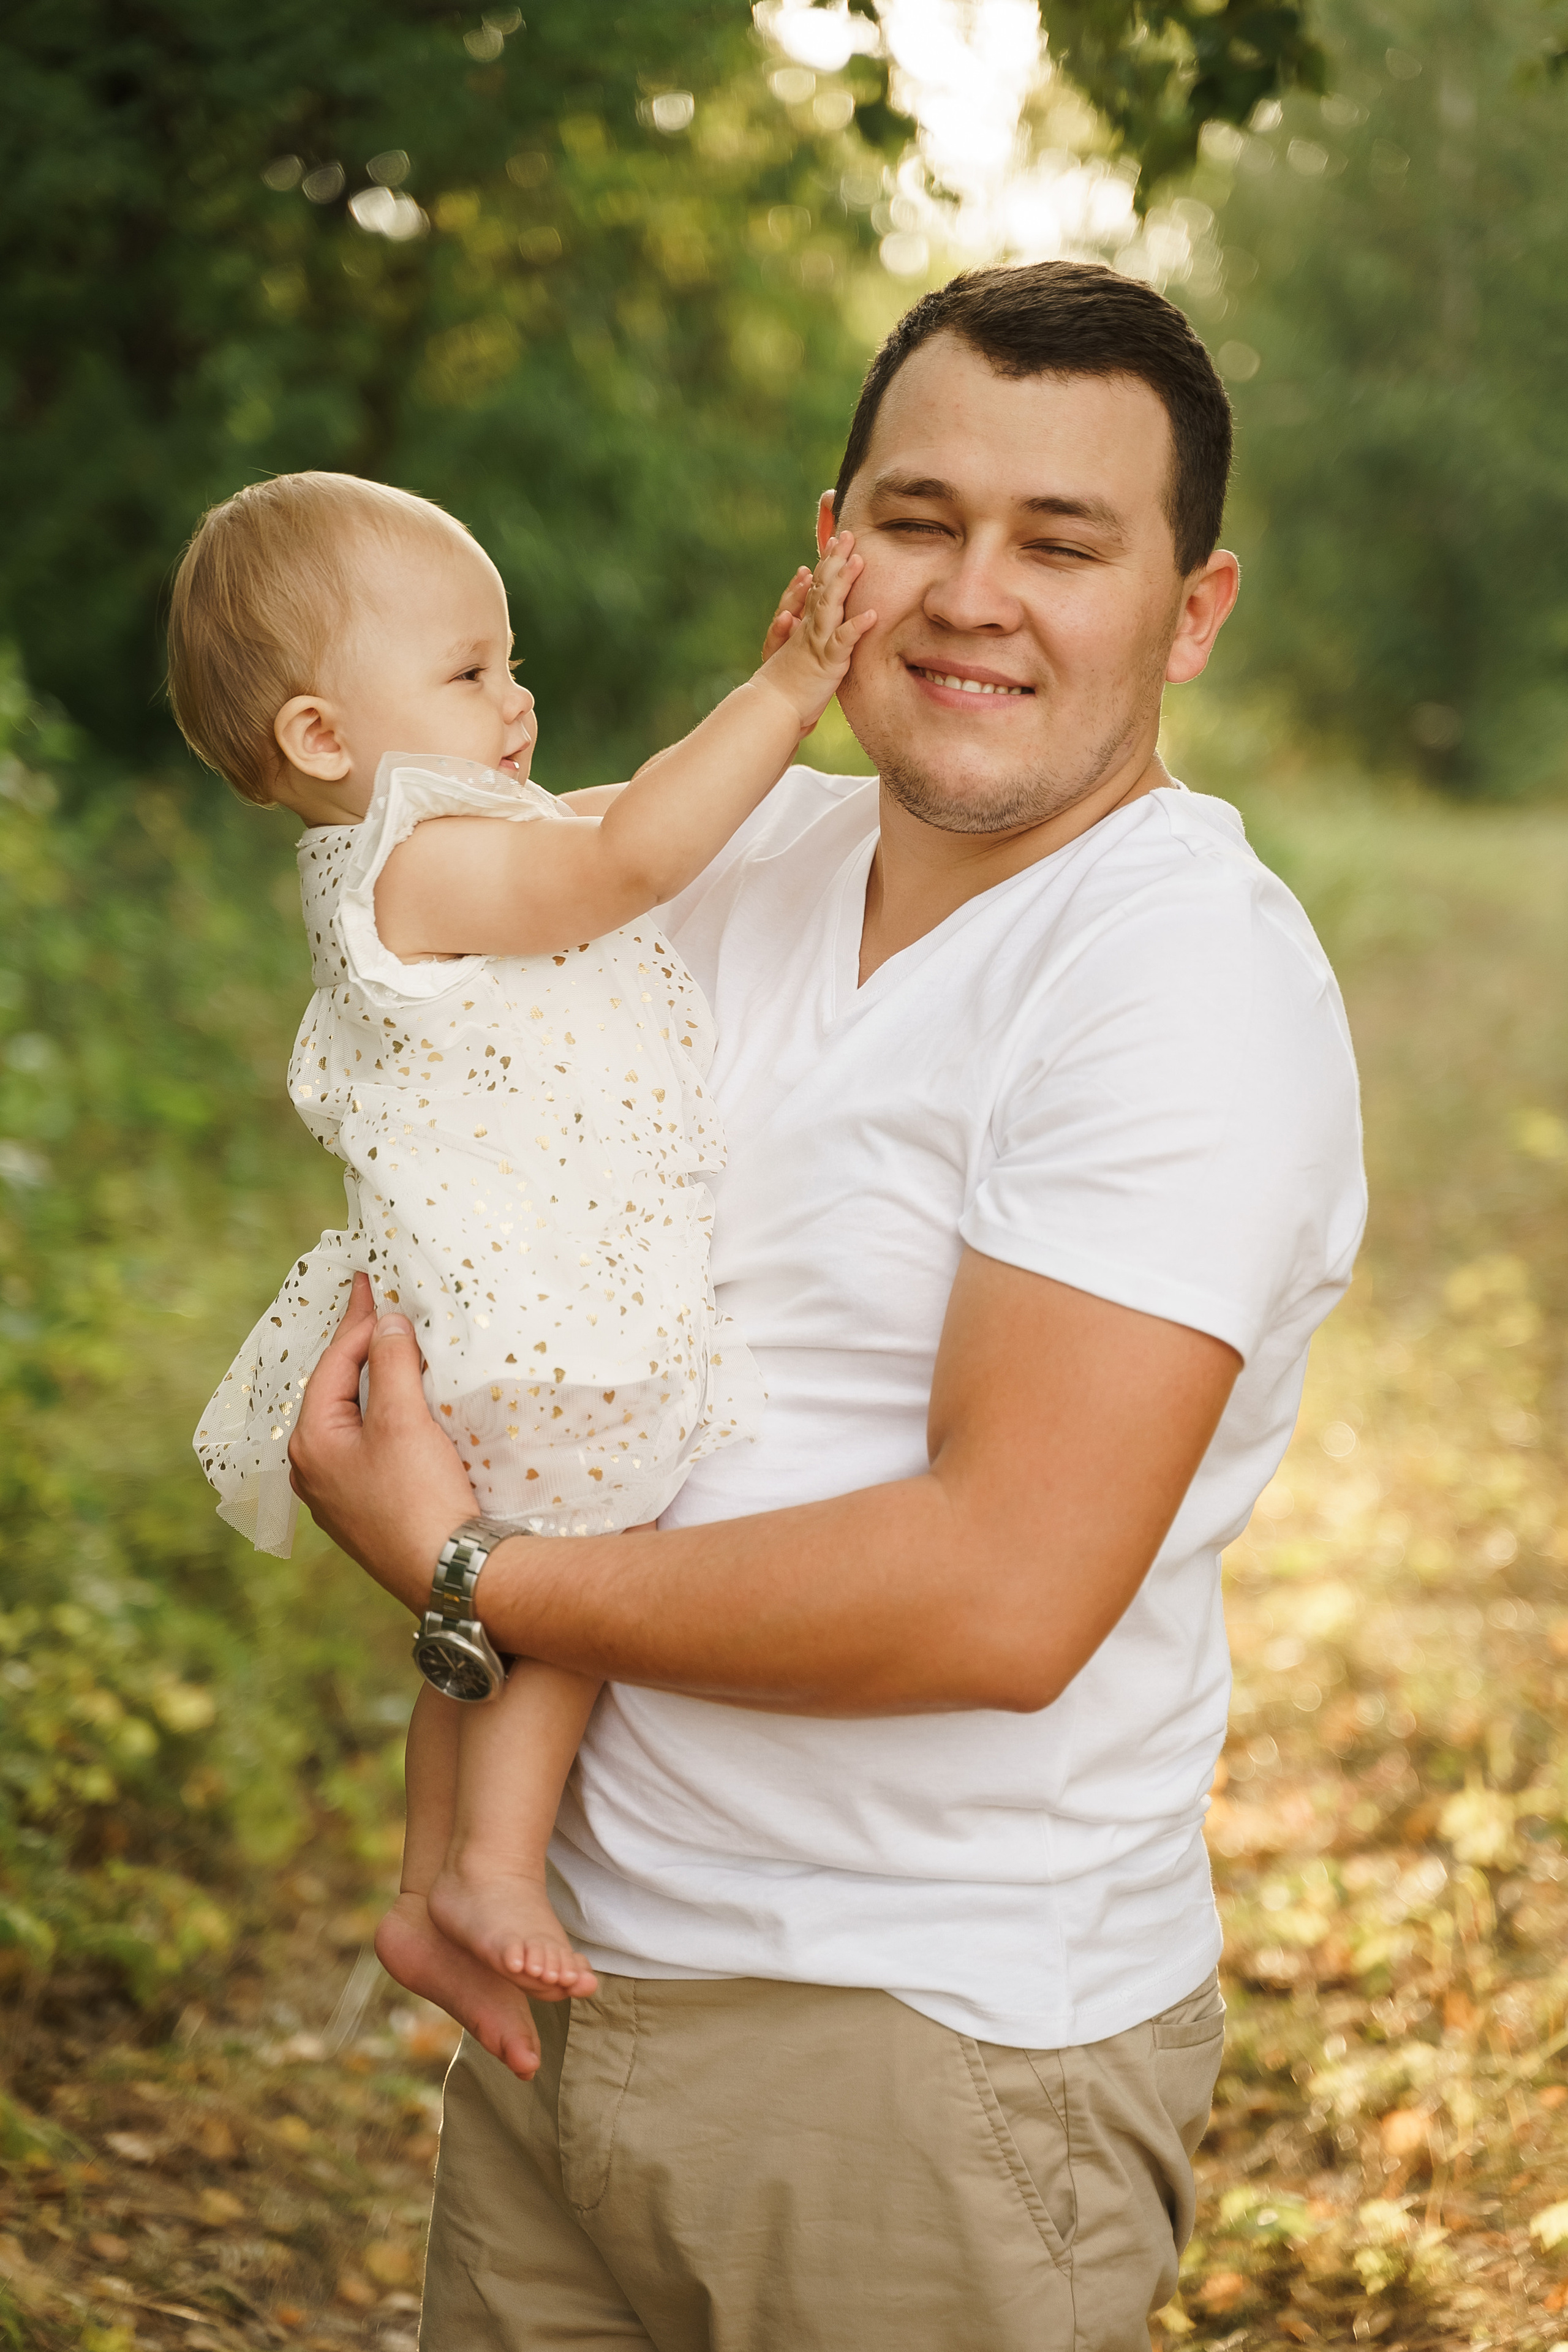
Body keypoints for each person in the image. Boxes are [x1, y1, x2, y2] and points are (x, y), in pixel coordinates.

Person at [288, 262, 1366, 2351]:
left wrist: (468, 1569)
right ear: (830, 548)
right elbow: (428, 986)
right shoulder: (733, 853)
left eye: (1063, 545)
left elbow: (998, 1595)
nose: (977, 593)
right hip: (564, 2012)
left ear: (1192, 613)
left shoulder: (1177, 984)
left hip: (921, 2055)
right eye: (919, 519)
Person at [166, 470, 872, 2082]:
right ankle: (492, 1866)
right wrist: (788, 691)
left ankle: (425, 1892)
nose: (518, 697)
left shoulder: (443, 840)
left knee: (489, 1597)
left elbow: (640, 809)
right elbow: (628, 858)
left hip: (489, 1304)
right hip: (537, 1317)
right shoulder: (421, 870)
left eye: (512, 660)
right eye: (469, 671)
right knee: (567, 1589)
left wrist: (746, 728)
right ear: (325, 741)